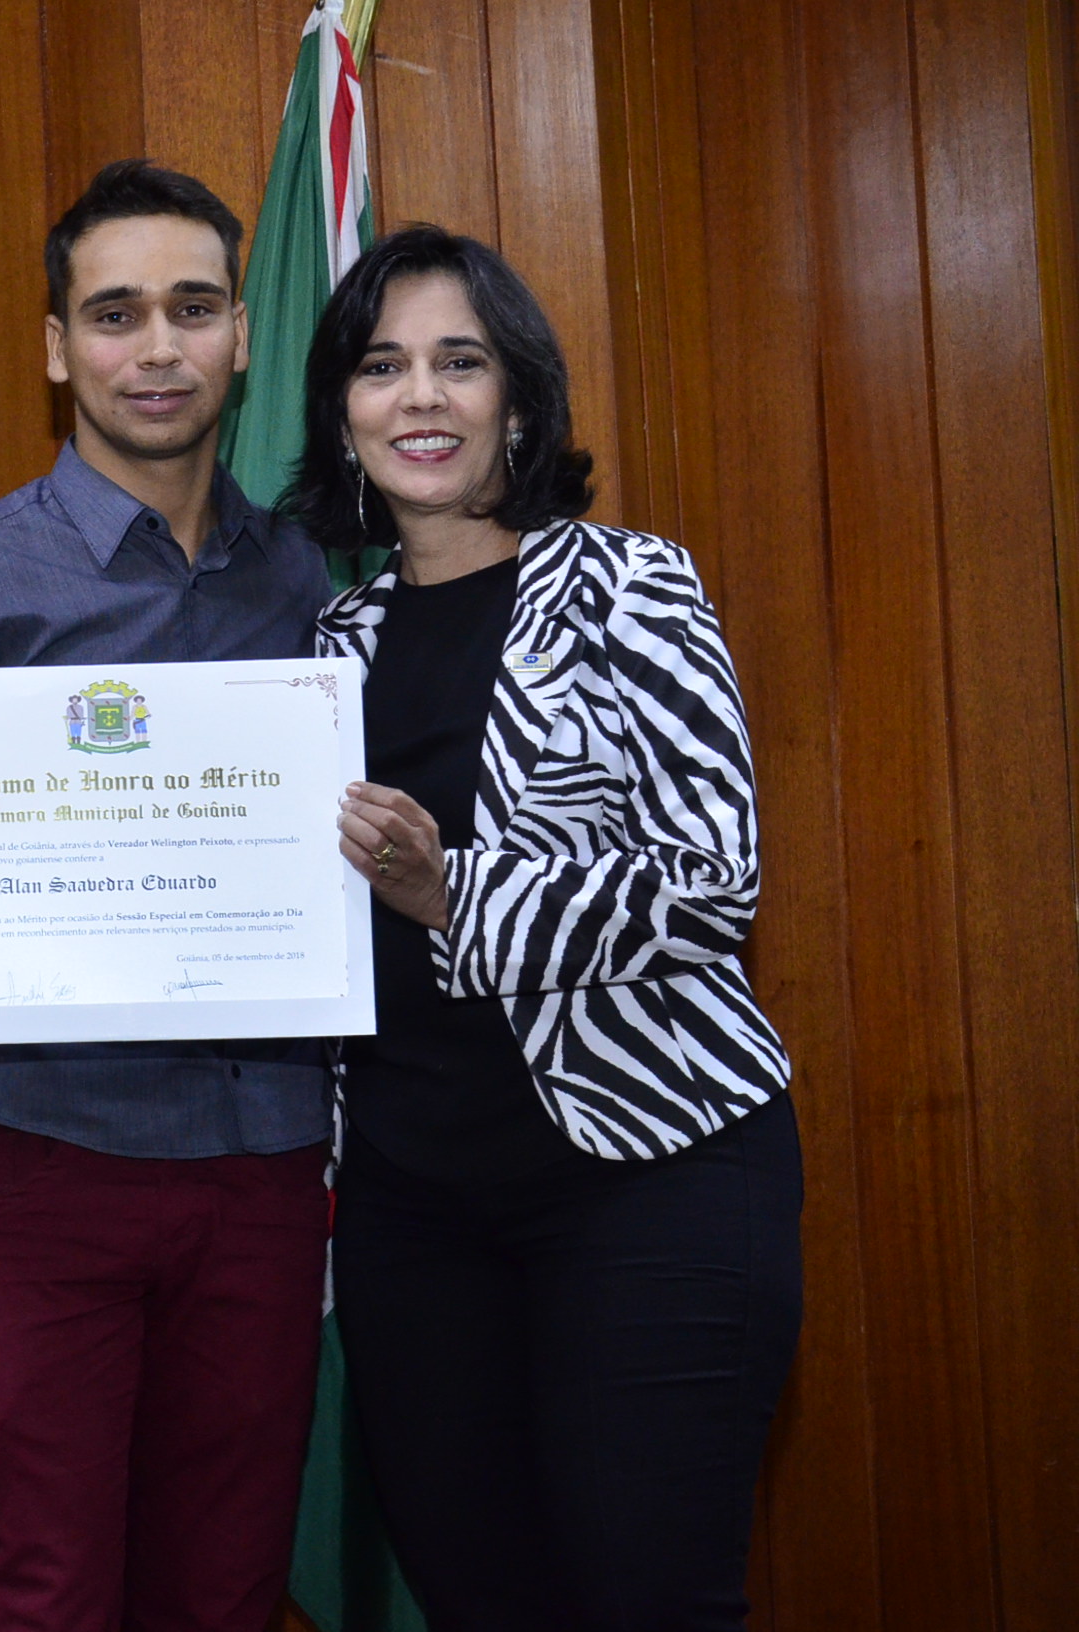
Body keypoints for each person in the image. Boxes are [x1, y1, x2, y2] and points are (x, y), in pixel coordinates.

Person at [0, 160, 335, 1632]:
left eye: (193, 308)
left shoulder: (308, 584)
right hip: (33, 1175)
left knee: (227, 1594)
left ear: (243, 336)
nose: (157, 348)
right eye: (115, 315)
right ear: (58, 347)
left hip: (261, 1166)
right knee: (44, 1597)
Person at [299, 224, 801, 1631]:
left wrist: (451, 892)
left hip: (647, 1176)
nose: (420, 397)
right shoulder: (327, 650)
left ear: (517, 401)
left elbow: (712, 877)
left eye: (459, 362)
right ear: (342, 411)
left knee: (650, 1598)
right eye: (382, 366)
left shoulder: (633, 587)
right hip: (411, 1213)